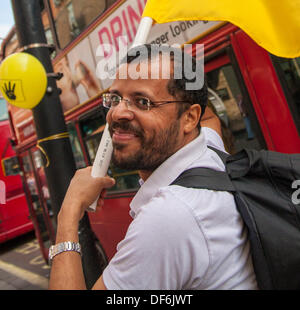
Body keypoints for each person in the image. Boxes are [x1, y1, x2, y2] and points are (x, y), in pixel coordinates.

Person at [49, 45, 258, 290]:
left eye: (143, 101)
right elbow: (209, 118)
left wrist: (69, 212)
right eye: (115, 98)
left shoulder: (169, 218)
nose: (117, 113)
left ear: (190, 118)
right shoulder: (209, 148)